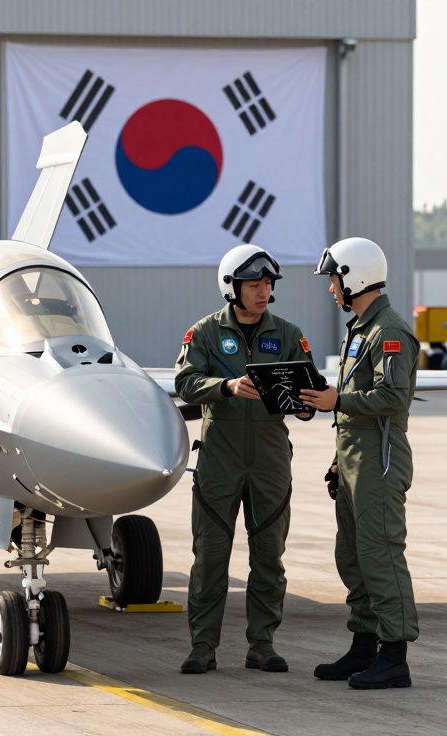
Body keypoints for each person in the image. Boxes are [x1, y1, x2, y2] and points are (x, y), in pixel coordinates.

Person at [174, 244, 315, 675]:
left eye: (267, 284)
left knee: (269, 556)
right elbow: (185, 381)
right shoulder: (205, 333)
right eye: (254, 284)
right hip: (221, 459)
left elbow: (307, 386)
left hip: (271, 460)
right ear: (231, 288)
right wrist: (226, 386)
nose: (263, 291)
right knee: (211, 556)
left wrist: (307, 403)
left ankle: (262, 644)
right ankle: (203, 647)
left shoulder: (289, 334)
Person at [299, 237, 420, 690]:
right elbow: (353, 409)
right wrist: (337, 460)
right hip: (354, 459)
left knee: (380, 554)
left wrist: (336, 400)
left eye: (333, 278)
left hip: (379, 460)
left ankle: (395, 655)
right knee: (351, 554)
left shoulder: (389, 331)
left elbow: (392, 397)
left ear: (354, 277)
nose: (331, 288)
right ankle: (365, 644)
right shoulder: (361, 328)